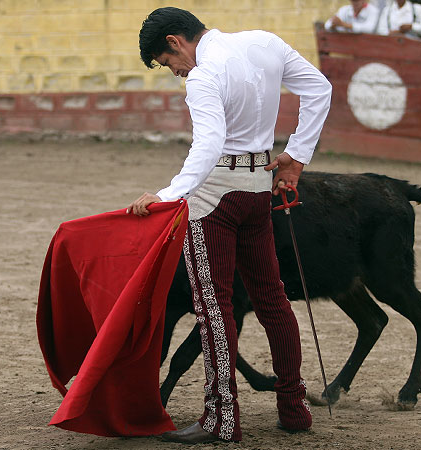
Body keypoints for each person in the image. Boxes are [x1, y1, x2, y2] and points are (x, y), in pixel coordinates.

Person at [128, 6, 331, 445]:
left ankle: (222, 419)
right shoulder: (265, 43)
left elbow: (209, 144)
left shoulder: (203, 75)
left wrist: (167, 195)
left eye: (170, 65)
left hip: (214, 197)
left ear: (175, 42)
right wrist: (296, 154)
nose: (178, 73)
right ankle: (294, 409)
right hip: (258, 189)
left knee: (213, 307)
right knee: (272, 299)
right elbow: (320, 88)